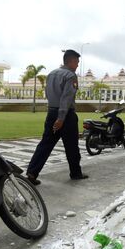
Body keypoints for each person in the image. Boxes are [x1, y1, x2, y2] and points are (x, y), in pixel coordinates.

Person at [26, 50, 88, 185]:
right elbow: (66, 98)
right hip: (66, 116)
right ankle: (75, 173)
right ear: (71, 61)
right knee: (72, 146)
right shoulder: (70, 76)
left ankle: (31, 173)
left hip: (51, 113)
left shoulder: (52, 74)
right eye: (77, 62)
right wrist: (61, 118)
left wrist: (55, 115)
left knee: (45, 144)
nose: (77, 65)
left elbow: (49, 94)